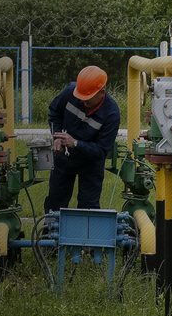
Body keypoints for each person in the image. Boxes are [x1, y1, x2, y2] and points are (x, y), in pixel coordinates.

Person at [43, 66, 122, 212]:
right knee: (55, 203)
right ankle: (50, 233)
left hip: (91, 164)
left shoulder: (111, 113)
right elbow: (54, 112)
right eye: (81, 96)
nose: (82, 100)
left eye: (87, 98)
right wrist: (57, 136)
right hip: (64, 158)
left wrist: (76, 144)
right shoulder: (70, 92)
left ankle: (86, 234)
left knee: (88, 208)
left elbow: (102, 150)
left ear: (101, 92)